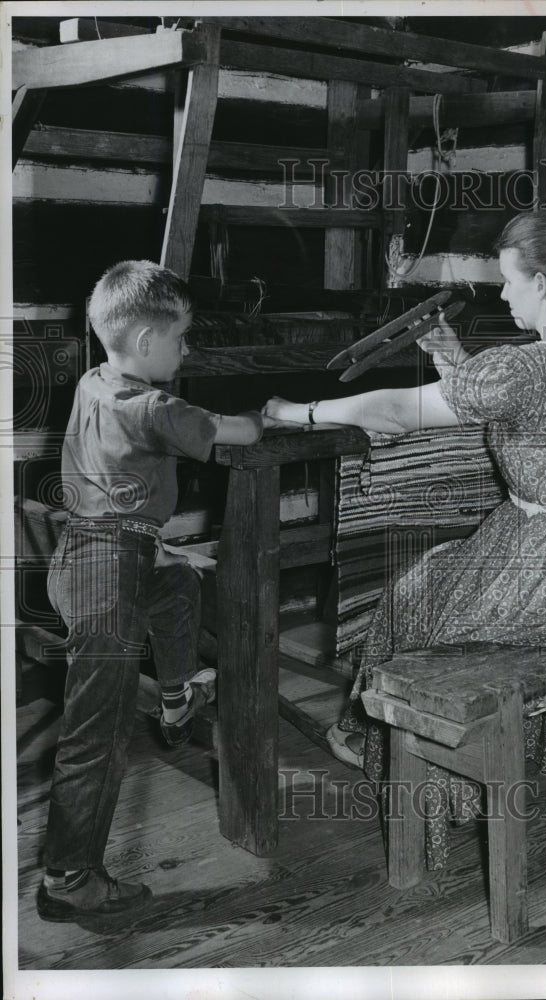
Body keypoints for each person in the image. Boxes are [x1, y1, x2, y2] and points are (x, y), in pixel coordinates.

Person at [266, 210, 546, 868]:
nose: (504, 295)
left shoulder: (522, 368)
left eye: (510, 283)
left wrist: (298, 411)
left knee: (417, 595)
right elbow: (541, 417)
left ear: (542, 284)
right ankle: (522, 746)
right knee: (451, 578)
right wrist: (454, 358)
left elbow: (396, 410)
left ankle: (401, 758)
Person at [38, 260, 269, 923]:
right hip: (110, 574)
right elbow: (238, 432)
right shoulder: (154, 407)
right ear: (144, 341)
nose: (187, 349)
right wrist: (274, 412)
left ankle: (174, 696)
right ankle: (68, 877)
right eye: (181, 338)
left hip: (88, 552)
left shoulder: (94, 381)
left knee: (176, 585)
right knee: (97, 735)